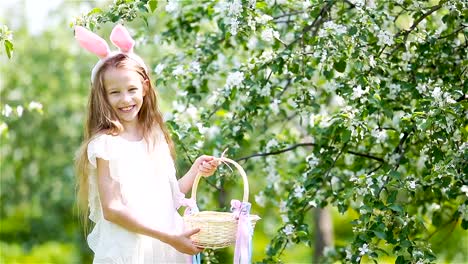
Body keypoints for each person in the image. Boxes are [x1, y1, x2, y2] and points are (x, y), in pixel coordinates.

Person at [74, 24, 219, 264]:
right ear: (103, 96)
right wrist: (169, 237)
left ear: (145, 87)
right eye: (115, 92)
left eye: (132, 89)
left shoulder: (155, 137)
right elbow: (112, 209)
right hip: (133, 251)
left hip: (165, 248)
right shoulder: (106, 145)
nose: (126, 99)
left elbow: (167, 197)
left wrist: (195, 171)